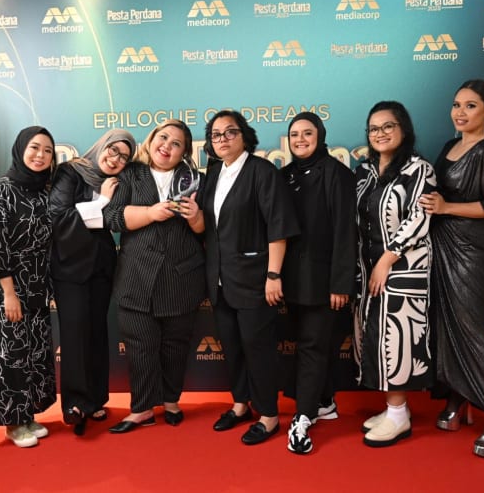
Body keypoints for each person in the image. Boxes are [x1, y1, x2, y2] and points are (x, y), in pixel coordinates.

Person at [419, 79, 484, 459]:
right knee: (445, 325)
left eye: (471, 105)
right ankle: (459, 397)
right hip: (440, 245)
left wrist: (446, 208)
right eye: (457, 104)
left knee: (472, 328)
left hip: (469, 251)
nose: (460, 112)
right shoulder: (450, 145)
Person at [202, 110, 300, 445]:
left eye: (230, 132)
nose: (223, 139)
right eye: (216, 134)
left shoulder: (262, 171)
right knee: (232, 347)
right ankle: (241, 404)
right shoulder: (213, 174)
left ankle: (269, 415)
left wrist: (273, 274)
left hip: (255, 279)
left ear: (244, 136)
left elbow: (278, 226)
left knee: (259, 350)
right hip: (219, 280)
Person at [102, 119, 206, 433]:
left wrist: (196, 218)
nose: (167, 146)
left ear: (184, 152)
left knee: (175, 346)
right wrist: (149, 213)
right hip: (136, 277)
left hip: (181, 278)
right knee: (140, 348)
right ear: (152, 139)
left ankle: (171, 401)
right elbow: (112, 217)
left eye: (176, 143)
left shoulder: (196, 180)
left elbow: (211, 230)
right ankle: (142, 408)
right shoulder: (130, 174)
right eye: (163, 138)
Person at [354, 101, 436, 447]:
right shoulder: (365, 171)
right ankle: (393, 409)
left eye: (388, 126)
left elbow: (419, 217)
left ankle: (399, 414)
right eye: (374, 128)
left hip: (403, 266)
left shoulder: (419, 169)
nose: (380, 133)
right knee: (375, 336)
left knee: (397, 337)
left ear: (403, 129)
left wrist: (387, 259)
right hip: (368, 267)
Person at [49, 128, 136, 436]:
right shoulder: (71, 171)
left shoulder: (116, 182)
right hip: (70, 268)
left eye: (124, 157)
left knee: (97, 332)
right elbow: (58, 216)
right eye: (113, 150)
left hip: (101, 267)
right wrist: (102, 200)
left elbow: (113, 221)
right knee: (74, 334)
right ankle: (75, 404)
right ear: (102, 146)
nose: (116, 159)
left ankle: (96, 398)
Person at [280, 112, 358, 454]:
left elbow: (345, 231)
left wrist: (340, 283)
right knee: (308, 343)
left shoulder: (337, 174)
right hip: (291, 281)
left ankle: (303, 416)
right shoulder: (284, 175)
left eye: (307, 133)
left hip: (324, 282)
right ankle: (324, 401)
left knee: (312, 346)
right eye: (294, 134)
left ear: (320, 135)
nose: (300, 139)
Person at [0, 126, 57, 448]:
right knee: (11, 356)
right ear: (21, 149)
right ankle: (13, 424)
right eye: (35, 147)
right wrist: (9, 293)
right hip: (7, 286)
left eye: (48, 151)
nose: (40, 155)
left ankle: (27, 416)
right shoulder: (1, 189)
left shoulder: (44, 191)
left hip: (37, 284)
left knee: (34, 355)